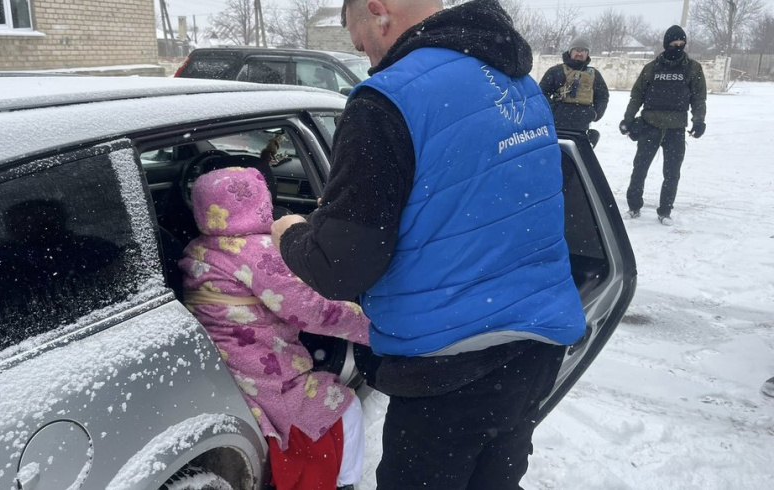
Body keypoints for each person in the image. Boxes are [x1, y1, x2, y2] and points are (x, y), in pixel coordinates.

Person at [270, 1, 587, 489]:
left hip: (449, 367)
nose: (359, 50)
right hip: (535, 349)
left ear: (376, 11)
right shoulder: (515, 81)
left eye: (352, 30)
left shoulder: (386, 100)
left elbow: (341, 267)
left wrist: (289, 231)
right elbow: (499, 196)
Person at [179, 167, 370, 490]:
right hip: (265, 368)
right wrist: (370, 327)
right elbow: (312, 311)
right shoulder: (260, 252)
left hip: (223, 364)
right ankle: (345, 484)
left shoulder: (198, 248)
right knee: (346, 407)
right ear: (261, 201)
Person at [620, 25, 707, 226]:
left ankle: (665, 211)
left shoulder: (693, 68)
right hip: (650, 125)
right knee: (639, 168)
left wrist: (699, 121)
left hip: (676, 129)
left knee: (672, 173)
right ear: (666, 44)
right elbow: (637, 96)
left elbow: (698, 98)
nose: (677, 46)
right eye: (673, 43)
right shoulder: (651, 68)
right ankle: (634, 206)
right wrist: (628, 119)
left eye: (681, 43)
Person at [538, 35, 609, 147]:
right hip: (557, 126)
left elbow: (603, 96)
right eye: (577, 50)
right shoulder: (556, 71)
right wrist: (553, 110)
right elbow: (541, 93)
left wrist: (595, 113)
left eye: (584, 51)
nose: (580, 53)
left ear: (587, 54)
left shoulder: (594, 75)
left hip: (582, 127)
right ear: (570, 51)